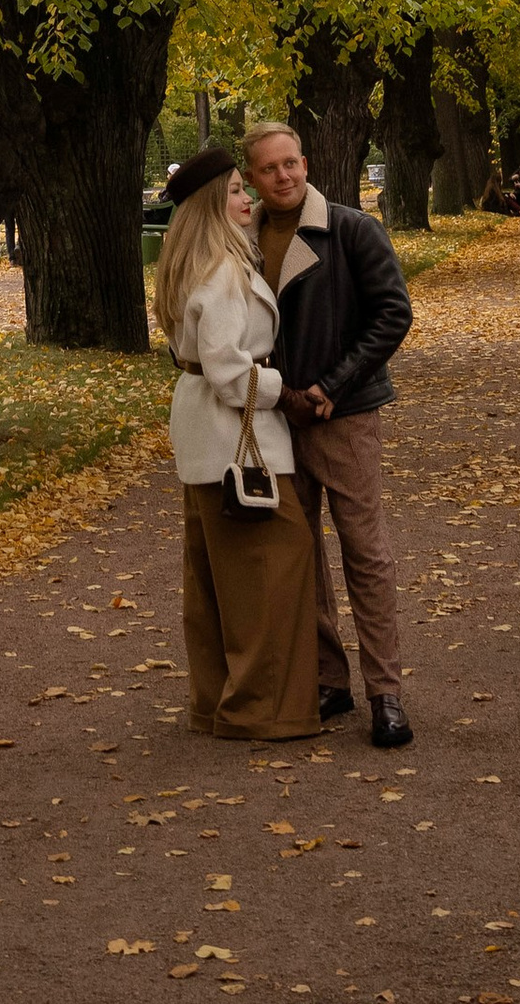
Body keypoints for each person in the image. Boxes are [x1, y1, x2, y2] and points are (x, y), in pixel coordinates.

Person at [244, 119, 415, 750]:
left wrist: (333, 387)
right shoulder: (243, 236)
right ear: (253, 176)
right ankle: (327, 679)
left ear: (306, 163)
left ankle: (385, 693)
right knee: (300, 554)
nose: (283, 176)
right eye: (268, 168)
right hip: (274, 415)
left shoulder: (350, 228)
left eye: (291, 163)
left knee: (364, 551)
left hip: (342, 415)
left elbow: (393, 313)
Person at [154, 142, 321, 743]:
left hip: (205, 440)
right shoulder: (222, 273)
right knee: (271, 571)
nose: (247, 197)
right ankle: (261, 710)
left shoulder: (190, 266)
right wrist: (288, 391)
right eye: (234, 191)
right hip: (236, 440)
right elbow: (229, 372)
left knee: (214, 583)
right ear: (209, 204)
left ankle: (217, 702)